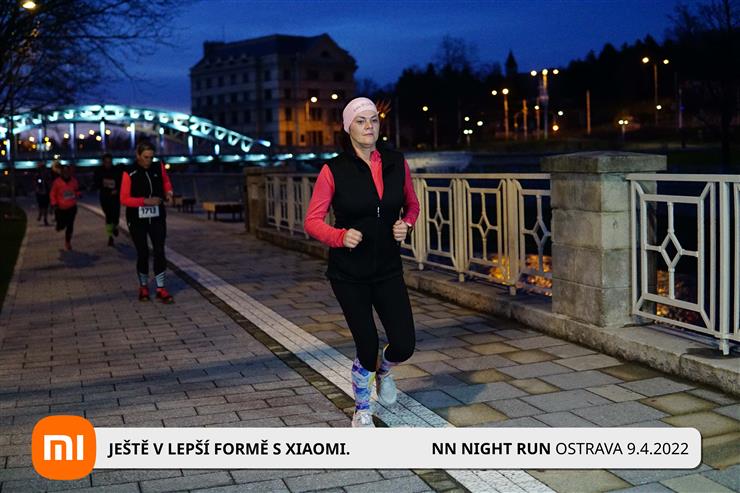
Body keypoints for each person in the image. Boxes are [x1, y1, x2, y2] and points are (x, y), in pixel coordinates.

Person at [304, 97, 420, 427]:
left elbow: (412, 205)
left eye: (374, 120)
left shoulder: (397, 162)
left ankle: (384, 371)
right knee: (366, 346)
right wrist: (339, 236)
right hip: (349, 272)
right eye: (361, 121)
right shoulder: (333, 170)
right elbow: (312, 221)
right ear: (348, 127)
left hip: (388, 268)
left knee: (404, 344)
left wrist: (406, 224)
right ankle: (362, 410)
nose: (369, 126)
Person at [120, 142, 175, 304]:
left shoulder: (159, 167)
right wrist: (144, 201)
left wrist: (169, 193)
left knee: (159, 251)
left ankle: (161, 288)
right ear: (138, 155)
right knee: (143, 252)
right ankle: (143, 287)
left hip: (157, 217)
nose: (149, 161)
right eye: (145, 157)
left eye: (151, 157)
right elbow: (124, 199)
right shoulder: (129, 172)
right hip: (136, 219)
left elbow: (166, 182)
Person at [50, 164, 80, 250]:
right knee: (62, 225)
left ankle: (68, 242)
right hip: (61, 208)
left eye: (68, 171)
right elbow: (52, 193)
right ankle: (59, 226)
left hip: (72, 206)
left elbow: (76, 190)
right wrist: (54, 203)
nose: (66, 173)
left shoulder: (74, 181)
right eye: (64, 171)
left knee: (70, 225)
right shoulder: (57, 182)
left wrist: (78, 194)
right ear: (61, 172)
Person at [94, 153, 122, 246]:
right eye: (106, 162)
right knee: (108, 217)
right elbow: (96, 183)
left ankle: (115, 227)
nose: (108, 164)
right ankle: (110, 237)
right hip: (105, 198)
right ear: (103, 162)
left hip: (115, 198)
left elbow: (121, 183)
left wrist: (117, 190)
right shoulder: (99, 171)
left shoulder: (116, 170)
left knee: (115, 216)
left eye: (109, 162)